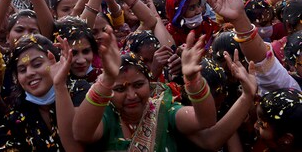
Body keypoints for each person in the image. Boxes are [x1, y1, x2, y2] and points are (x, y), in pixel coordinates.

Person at [73, 26, 217, 151]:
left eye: (138, 85)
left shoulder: (163, 110)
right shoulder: (107, 115)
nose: (131, 96)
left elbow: (205, 120)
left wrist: (194, 81)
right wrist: (107, 79)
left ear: (150, 83)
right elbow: (81, 134)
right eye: (120, 89)